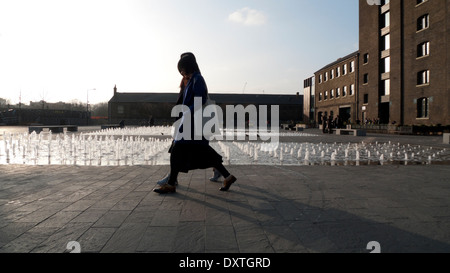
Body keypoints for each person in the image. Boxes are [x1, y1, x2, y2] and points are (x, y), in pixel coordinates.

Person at [154, 53, 237, 194]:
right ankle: (227, 176)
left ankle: (171, 183)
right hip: (192, 121)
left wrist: (187, 113)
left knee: (178, 149)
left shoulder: (197, 79)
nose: (181, 72)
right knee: (199, 151)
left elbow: (200, 100)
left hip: (193, 121)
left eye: (181, 69)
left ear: (187, 67)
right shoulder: (193, 79)